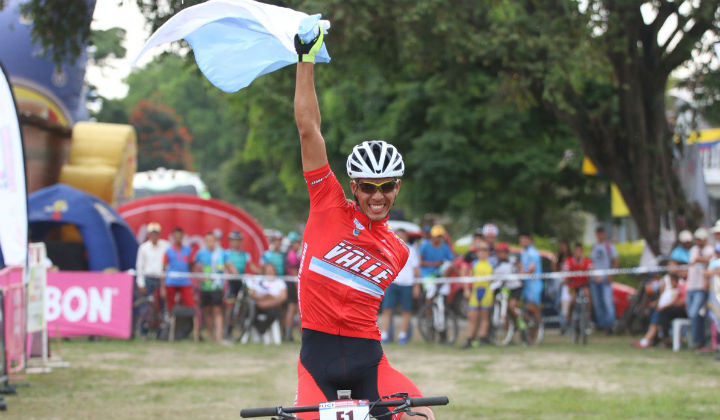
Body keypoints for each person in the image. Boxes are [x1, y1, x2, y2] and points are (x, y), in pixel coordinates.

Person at [292, 30, 432, 420]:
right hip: (316, 362)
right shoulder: (327, 204)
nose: (377, 196)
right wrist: (306, 60)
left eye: (386, 186)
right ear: (353, 186)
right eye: (368, 187)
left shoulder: (399, 251)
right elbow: (309, 129)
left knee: (422, 417)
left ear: (397, 187)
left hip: (369, 362)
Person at [380, 228, 420, 345]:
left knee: (406, 310)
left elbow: (416, 269)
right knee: (387, 309)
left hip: (407, 284)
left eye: (402, 236)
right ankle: (385, 334)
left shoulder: (411, 250)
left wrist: (417, 286)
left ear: (406, 237)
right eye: (398, 235)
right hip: (392, 283)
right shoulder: (389, 249)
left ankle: (403, 335)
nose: (400, 238)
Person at [633, 266, 686, 348]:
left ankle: (647, 341)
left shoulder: (676, 290)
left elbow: (672, 302)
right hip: (661, 309)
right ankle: (651, 339)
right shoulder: (668, 290)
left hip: (665, 310)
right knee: (652, 316)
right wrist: (656, 303)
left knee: (656, 321)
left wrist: (662, 307)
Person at [224, 231, 261, 338]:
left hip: (241, 281)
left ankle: (241, 324)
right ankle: (227, 330)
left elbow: (252, 266)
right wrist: (231, 270)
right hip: (230, 282)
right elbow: (226, 265)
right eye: (233, 240)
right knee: (229, 307)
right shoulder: (226, 253)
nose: (236, 243)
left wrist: (263, 271)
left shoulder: (245, 254)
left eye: (238, 241)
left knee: (245, 303)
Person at [134, 222, 168, 337]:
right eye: (152, 234)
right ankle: (143, 331)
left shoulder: (165, 246)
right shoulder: (143, 248)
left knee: (161, 307)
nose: (154, 236)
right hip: (148, 279)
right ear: (149, 234)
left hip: (160, 279)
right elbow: (139, 267)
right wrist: (141, 283)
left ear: (159, 234)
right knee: (146, 306)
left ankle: (159, 330)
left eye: (156, 234)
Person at [194, 232, 226, 342]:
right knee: (207, 311)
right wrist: (199, 277)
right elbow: (193, 266)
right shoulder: (200, 254)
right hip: (205, 287)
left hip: (217, 287)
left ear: (215, 241)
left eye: (212, 240)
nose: (210, 243)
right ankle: (211, 336)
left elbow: (228, 265)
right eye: (207, 240)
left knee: (217, 310)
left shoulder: (221, 253)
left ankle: (219, 337)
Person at [463, 240, 493, 348]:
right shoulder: (474, 264)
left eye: (485, 250)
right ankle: (469, 338)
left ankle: (482, 338)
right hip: (476, 291)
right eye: (480, 250)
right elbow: (467, 277)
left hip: (487, 291)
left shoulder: (491, 263)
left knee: (485, 316)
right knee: (472, 316)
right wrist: (466, 290)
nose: (482, 252)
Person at [687, 228, 713, 350]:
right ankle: (696, 340)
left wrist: (699, 259)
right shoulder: (693, 250)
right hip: (690, 286)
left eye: (700, 239)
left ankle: (699, 341)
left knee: (695, 313)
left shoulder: (710, 249)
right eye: (696, 239)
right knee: (693, 315)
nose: (698, 241)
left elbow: (710, 261)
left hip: (701, 287)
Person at [248, 263, 288, 339]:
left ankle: (262, 330)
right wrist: (264, 297)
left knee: (274, 313)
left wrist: (267, 302)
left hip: (273, 306)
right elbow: (252, 293)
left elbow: (283, 297)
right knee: (250, 312)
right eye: (268, 270)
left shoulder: (280, 282)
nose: (269, 272)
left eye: (271, 270)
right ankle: (257, 330)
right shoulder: (259, 281)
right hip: (259, 305)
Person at [590, 227, 619, 332]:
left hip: (606, 279)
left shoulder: (609, 246)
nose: (600, 235)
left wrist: (611, 275)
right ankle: (601, 324)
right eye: (598, 233)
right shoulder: (594, 247)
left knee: (607, 302)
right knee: (597, 303)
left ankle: (610, 324)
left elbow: (615, 261)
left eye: (601, 233)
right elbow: (591, 263)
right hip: (595, 280)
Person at [420, 225, 455, 302]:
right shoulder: (425, 245)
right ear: (432, 235)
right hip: (427, 274)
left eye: (440, 236)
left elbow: (452, 261)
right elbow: (420, 262)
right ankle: (428, 313)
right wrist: (435, 264)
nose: (439, 238)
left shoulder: (445, 246)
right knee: (430, 293)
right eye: (437, 236)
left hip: (439, 273)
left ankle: (439, 286)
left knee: (450, 265)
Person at [562, 242, 593, 327]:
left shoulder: (587, 261)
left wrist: (595, 276)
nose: (578, 253)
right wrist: (565, 279)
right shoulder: (569, 261)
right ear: (574, 251)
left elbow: (592, 270)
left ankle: (588, 317)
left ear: (582, 251)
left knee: (588, 296)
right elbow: (566, 271)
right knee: (572, 299)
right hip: (573, 285)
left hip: (583, 284)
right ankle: (569, 316)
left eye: (580, 251)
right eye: (576, 251)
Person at [494, 242, 523, 330]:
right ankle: (509, 329)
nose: (501, 254)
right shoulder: (497, 264)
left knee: (511, 306)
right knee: (504, 306)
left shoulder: (512, 259)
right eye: (499, 252)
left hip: (515, 286)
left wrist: (520, 274)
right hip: (505, 287)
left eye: (503, 252)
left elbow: (520, 267)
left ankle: (520, 320)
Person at [519, 233, 543, 328]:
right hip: (526, 284)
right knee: (527, 308)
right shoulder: (524, 252)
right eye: (521, 239)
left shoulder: (532, 252)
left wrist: (522, 274)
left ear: (529, 240)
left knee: (533, 307)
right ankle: (530, 334)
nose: (522, 241)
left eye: (524, 239)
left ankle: (538, 327)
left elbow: (531, 268)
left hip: (534, 284)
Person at [283, 231, 302, 341]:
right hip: (293, 284)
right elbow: (294, 272)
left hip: (290, 283)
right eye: (297, 242)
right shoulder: (292, 255)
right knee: (292, 309)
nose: (298, 244)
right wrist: (298, 287)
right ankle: (288, 336)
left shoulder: (291, 254)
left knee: (291, 309)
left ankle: (288, 335)